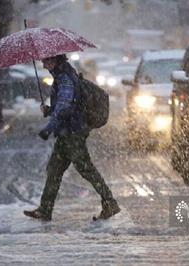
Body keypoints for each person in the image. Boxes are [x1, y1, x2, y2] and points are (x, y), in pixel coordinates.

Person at [24, 54, 120, 221]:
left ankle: (110, 202)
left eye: (46, 60)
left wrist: (48, 128)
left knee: (86, 170)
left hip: (73, 133)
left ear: (55, 60)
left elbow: (64, 107)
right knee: (54, 170)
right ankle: (45, 209)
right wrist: (49, 110)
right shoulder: (63, 76)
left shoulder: (65, 79)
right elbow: (63, 106)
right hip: (66, 133)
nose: (43, 64)